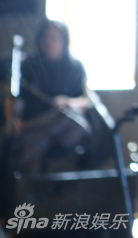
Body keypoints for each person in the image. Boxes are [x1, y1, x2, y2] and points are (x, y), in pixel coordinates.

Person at [13, 19, 112, 174]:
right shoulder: (29, 64)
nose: (48, 42)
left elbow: (87, 100)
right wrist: (14, 119)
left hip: (67, 124)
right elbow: (17, 97)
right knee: (37, 140)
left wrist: (67, 102)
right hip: (36, 122)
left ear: (63, 41)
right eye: (45, 37)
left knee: (71, 123)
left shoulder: (75, 67)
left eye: (53, 38)